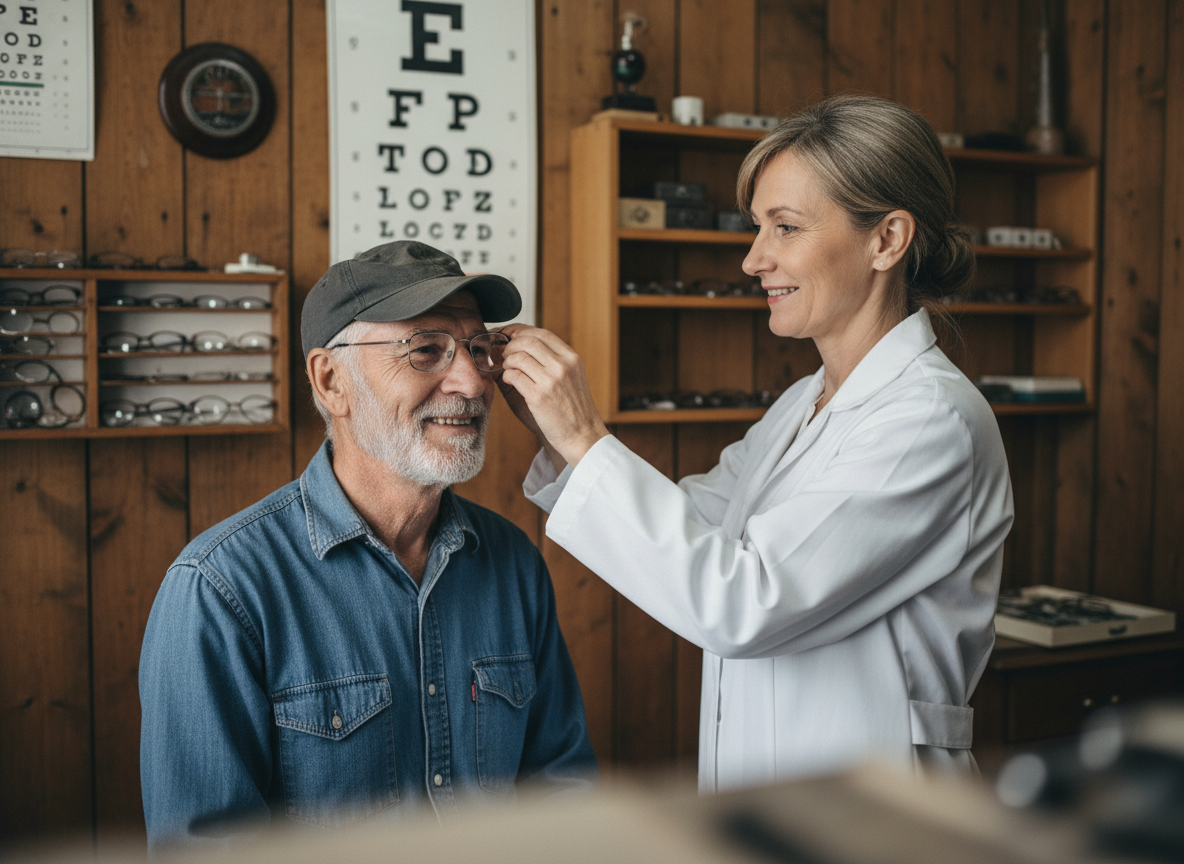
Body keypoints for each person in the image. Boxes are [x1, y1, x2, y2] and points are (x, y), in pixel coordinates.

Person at [497, 95, 1014, 791]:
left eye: (786, 228)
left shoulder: (929, 421)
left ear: (887, 240)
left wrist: (588, 438)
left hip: (878, 808)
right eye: (756, 228)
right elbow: (701, 523)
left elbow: (743, 599)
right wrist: (558, 438)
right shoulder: (807, 402)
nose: (752, 259)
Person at [139, 241, 597, 850]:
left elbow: (562, 794)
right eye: (425, 349)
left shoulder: (513, 562)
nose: (470, 381)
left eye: (478, 349)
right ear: (331, 382)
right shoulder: (220, 588)